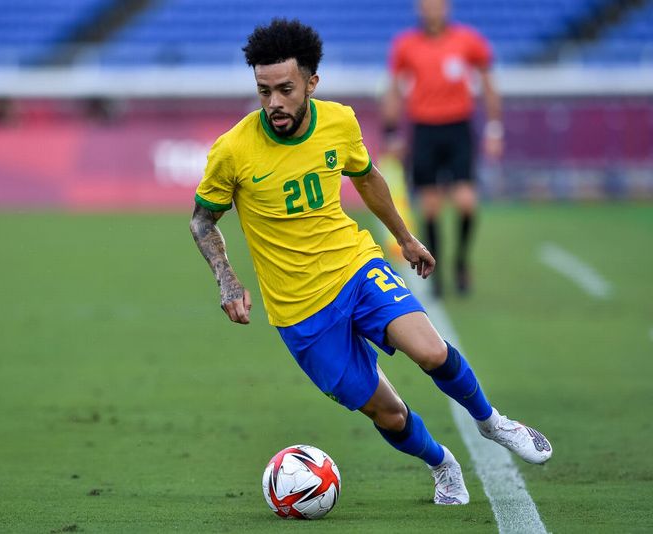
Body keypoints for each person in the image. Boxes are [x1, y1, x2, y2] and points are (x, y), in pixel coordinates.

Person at [189, 18, 550, 507]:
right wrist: (227, 279)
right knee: (390, 414)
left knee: (431, 352)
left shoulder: (339, 122)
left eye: (285, 89)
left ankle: (493, 422)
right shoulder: (232, 150)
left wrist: (404, 238)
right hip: (299, 312)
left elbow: (367, 177)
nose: (274, 102)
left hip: (354, 268)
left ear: (311, 83)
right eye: (264, 90)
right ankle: (441, 463)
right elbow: (202, 221)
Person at [382, 0, 503, 297]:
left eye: (437, 5)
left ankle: (461, 261)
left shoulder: (468, 41)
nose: (432, 10)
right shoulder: (406, 45)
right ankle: (434, 269)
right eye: (427, 5)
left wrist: (494, 128)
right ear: (419, 9)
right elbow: (394, 89)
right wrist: (391, 131)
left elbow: (488, 83)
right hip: (424, 130)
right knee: (431, 205)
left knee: (466, 201)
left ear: (446, 7)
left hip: (458, 128)